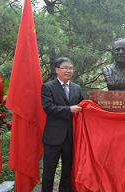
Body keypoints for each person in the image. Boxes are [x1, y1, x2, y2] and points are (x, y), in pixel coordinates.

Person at [41, 57, 84, 192]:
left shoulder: (77, 88)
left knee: (67, 172)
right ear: (57, 70)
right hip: (53, 137)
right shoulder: (48, 87)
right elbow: (48, 108)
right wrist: (69, 109)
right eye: (65, 67)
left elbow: (83, 106)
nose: (68, 70)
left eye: (70, 68)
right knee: (49, 172)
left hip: (71, 138)